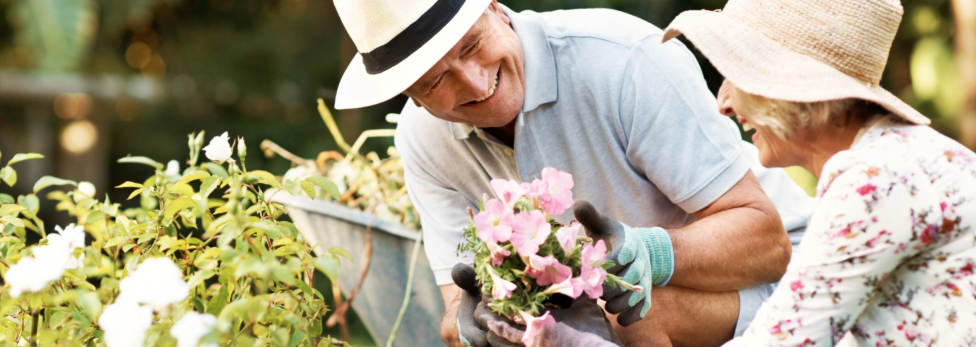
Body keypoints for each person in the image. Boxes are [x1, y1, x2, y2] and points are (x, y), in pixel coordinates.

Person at [329, 0, 815, 345]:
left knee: (630, 308)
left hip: (784, 290)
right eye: (435, 81)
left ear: (495, 8)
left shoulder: (624, 60)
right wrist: (472, 324)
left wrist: (650, 252)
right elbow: (455, 310)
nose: (475, 83)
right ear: (411, 95)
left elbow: (769, 245)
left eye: (473, 45)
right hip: (598, 329)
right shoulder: (421, 139)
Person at [654, 0, 976, 345]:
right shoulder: (887, 160)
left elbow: (783, 340)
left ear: (794, 90)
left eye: (738, 75)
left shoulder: (878, 182)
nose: (722, 102)